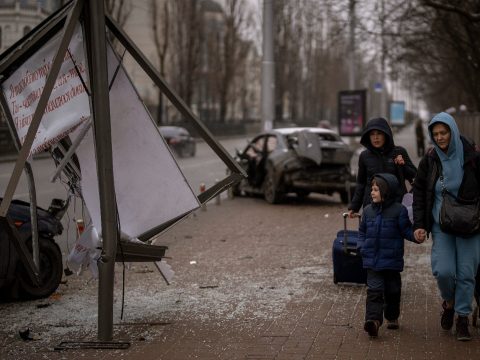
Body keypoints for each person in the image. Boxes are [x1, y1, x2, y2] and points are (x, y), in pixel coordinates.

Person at [412, 112, 480, 341]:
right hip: (442, 223)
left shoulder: (472, 155)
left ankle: (462, 317)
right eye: (436, 134)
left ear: (453, 130)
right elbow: (419, 193)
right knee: (444, 271)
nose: (440, 138)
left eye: (444, 132)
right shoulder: (430, 159)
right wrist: (420, 224)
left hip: (471, 225)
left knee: (466, 273)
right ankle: (449, 303)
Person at [358, 173, 422, 338]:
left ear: (387, 191)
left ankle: (392, 316)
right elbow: (362, 231)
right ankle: (373, 321)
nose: (372, 192)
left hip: (391, 261)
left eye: (376, 189)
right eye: (372, 189)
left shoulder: (398, 211)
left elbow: (406, 230)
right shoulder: (367, 211)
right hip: (372, 260)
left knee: (393, 291)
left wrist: (415, 235)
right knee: (374, 292)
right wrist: (362, 245)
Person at [348, 117, 417, 217]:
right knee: (372, 232)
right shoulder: (364, 156)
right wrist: (354, 207)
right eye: (372, 134)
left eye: (379, 133)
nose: (376, 137)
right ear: (368, 137)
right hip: (371, 207)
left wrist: (403, 165)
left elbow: (415, 176)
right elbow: (361, 183)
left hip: (396, 205)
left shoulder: (399, 152)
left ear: (386, 134)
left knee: (395, 232)